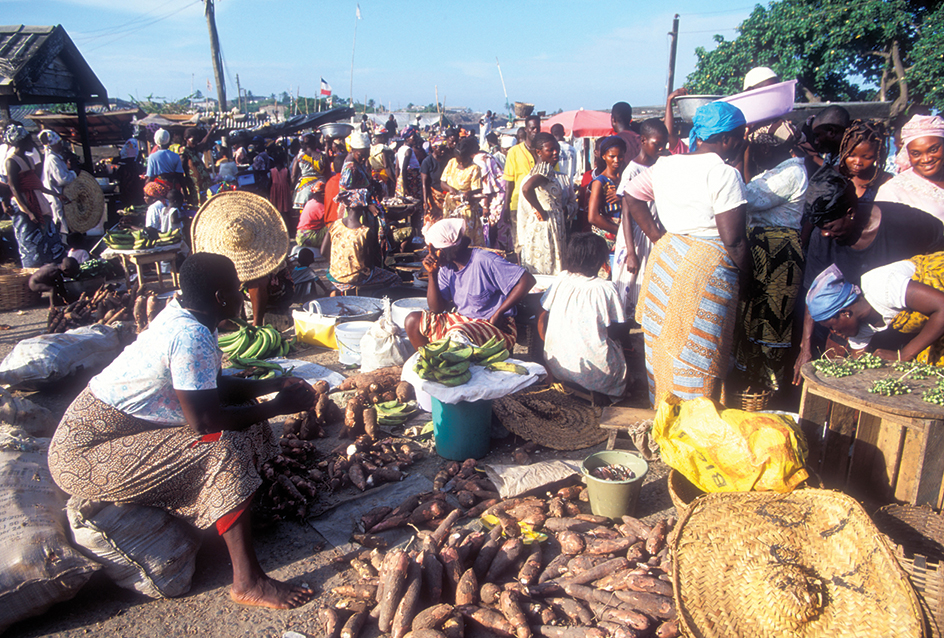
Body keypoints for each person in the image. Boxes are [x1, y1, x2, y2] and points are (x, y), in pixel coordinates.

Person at [48, 253, 318, 610]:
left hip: (109, 436)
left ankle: (243, 511)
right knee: (222, 446)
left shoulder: (185, 314)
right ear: (222, 298)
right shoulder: (190, 334)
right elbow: (205, 423)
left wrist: (270, 384)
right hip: (85, 453)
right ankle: (248, 581)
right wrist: (276, 406)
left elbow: (205, 385)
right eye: (238, 290)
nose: (242, 296)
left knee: (246, 421)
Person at [622, 102, 750, 405]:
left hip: (667, 260)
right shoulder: (723, 174)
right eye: (742, 136)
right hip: (706, 268)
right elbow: (733, 240)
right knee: (699, 352)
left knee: (664, 346)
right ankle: (696, 427)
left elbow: (631, 194)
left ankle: (665, 419)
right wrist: (750, 280)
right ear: (729, 139)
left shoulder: (666, 165)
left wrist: (657, 237)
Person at [792, 166, 944, 384]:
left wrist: (904, 355)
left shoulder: (903, 221)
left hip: (923, 311)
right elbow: (816, 296)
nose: (825, 233)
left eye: (830, 227)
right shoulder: (822, 238)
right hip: (864, 312)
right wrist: (805, 347)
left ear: (850, 213)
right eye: (820, 228)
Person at [732, 119, 809, 395]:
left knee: (771, 322)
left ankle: (767, 391)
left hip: (779, 256)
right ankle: (747, 386)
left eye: (765, 147)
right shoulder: (774, 170)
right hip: (761, 251)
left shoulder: (791, 172)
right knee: (751, 317)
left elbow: (749, 198)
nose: (761, 153)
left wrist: (740, 157)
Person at [404, 218, 535, 349]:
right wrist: (432, 274)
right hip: (462, 322)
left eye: (432, 250)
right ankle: (434, 365)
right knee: (413, 321)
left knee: (458, 334)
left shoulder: (485, 260)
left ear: (443, 251)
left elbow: (527, 280)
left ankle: (452, 365)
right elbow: (436, 309)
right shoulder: (445, 268)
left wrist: (499, 313)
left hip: (494, 325)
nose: (430, 254)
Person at [806, 257, 944, 365]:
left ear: (845, 313)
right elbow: (857, 358)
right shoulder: (861, 324)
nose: (834, 333)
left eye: (832, 327)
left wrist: (903, 355)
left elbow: (942, 307)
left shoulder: (883, 287)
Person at [538, 233, 627, 398]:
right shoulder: (605, 288)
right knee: (622, 347)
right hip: (597, 375)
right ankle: (605, 391)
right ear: (599, 260)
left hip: (557, 365)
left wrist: (547, 345)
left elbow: (542, 315)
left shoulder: (562, 278)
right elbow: (618, 329)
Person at [614, 118, 669, 311]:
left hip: (653, 232)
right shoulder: (632, 170)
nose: (662, 148)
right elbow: (626, 215)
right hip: (635, 237)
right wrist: (630, 252)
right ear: (643, 140)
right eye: (657, 144)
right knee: (628, 287)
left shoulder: (661, 167)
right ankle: (621, 334)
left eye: (664, 145)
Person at [4, 124, 66, 268]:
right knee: (30, 241)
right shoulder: (11, 162)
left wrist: (56, 195)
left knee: (49, 238)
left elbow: (37, 185)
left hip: (39, 201)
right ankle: (34, 274)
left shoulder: (29, 160)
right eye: (29, 141)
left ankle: (52, 269)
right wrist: (28, 211)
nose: (32, 144)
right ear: (20, 142)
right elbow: (14, 188)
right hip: (24, 204)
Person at [517, 132, 575, 275]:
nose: (556, 154)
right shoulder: (543, 170)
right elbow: (527, 189)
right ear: (539, 152)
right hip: (545, 228)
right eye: (550, 150)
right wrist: (541, 210)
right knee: (547, 269)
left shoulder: (552, 174)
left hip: (552, 226)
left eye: (557, 150)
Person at [325, 192, 402, 293]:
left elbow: (323, 251)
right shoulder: (365, 231)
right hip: (356, 278)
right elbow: (368, 262)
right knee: (395, 279)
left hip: (335, 274)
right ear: (363, 210)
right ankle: (380, 299)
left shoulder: (335, 225)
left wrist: (338, 263)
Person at [877, 114, 944, 221]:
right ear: (907, 154)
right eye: (916, 154)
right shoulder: (893, 191)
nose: (926, 159)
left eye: (933, 150)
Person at [502, 115, 541, 251]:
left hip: (540, 203)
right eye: (532, 128)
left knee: (538, 241)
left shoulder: (544, 150)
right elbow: (509, 183)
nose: (535, 131)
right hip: (518, 203)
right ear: (526, 130)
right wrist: (506, 207)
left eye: (538, 128)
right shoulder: (514, 152)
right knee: (520, 242)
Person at [587, 136, 627, 264]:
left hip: (625, 231)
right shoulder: (599, 182)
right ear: (604, 156)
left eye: (620, 156)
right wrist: (619, 230)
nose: (616, 160)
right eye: (612, 156)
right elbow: (593, 217)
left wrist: (622, 199)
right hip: (608, 234)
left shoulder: (625, 179)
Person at [441, 137, 484, 245]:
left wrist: (469, 193)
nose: (460, 163)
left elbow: (478, 188)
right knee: (451, 237)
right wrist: (450, 189)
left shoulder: (474, 168)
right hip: (451, 207)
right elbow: (442, 183)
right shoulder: (451, 163)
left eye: (463, 160)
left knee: (465, 237)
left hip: (466, 208)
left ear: (468, 156)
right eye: (458, 160)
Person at [837, 120, 891, 203]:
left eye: (867, 157)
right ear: (844, 150)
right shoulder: (833, 176)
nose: (858, 162)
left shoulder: (884, 180)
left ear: (878, 156)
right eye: (851, 155)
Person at [39, 130, 76, 234]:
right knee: (59, 224)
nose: (60, 145)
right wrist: (73, 173)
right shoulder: (52, 159)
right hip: (55, 197)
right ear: (53, 144)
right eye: (58, 142)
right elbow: (62, 179)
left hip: (57, 196)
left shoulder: (54, 158)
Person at [473, 142, 507, 249]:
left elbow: (485, 184)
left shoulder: (479, 159)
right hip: (500, 190)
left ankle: (494, 249)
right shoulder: (485, 155)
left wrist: (485, 206)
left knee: (493, 223)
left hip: (497, 193)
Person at [291, 134, 329, 212]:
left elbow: (294, 175)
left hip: (304, 188)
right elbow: (328, 174)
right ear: (315, 143)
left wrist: (291, 188)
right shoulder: (323, 156)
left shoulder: (299, 157)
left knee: (304, 213)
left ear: (304, 144)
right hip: (321, 186)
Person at [179, 126, 215, 205]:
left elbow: (203, 143)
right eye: (193, 141)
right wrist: (184, 190)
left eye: (197, 141)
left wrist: (212, 130)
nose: (195, 143)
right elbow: (181, 171)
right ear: (186, 139)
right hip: (195, 189)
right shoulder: (184, 152)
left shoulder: (193, 149)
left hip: (203, 186)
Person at [297, 180, 329, 251]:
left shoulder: (309, 202)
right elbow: (328, 219)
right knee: (331, 227)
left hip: (300, 235)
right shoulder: (319, 206)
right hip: (309, 237)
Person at [420, 136, 448, 217]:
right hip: (433, 196)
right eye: (440, 149)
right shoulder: (427, 162)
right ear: (433, 148)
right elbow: (424, 184)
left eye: (444, 149)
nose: (443, 152)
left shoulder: (447, 160)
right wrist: (425, 202)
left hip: (446, 196)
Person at [395, 128, 423, 200]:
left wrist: (398, 181)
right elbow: (404, 168)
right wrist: (406, 187)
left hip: (403, 178)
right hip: (411, 179)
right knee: (414, 200)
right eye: (413, 137)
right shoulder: (408, 150)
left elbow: (397, 168)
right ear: (407, 138)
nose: (415, 139)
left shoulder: (400, 149)